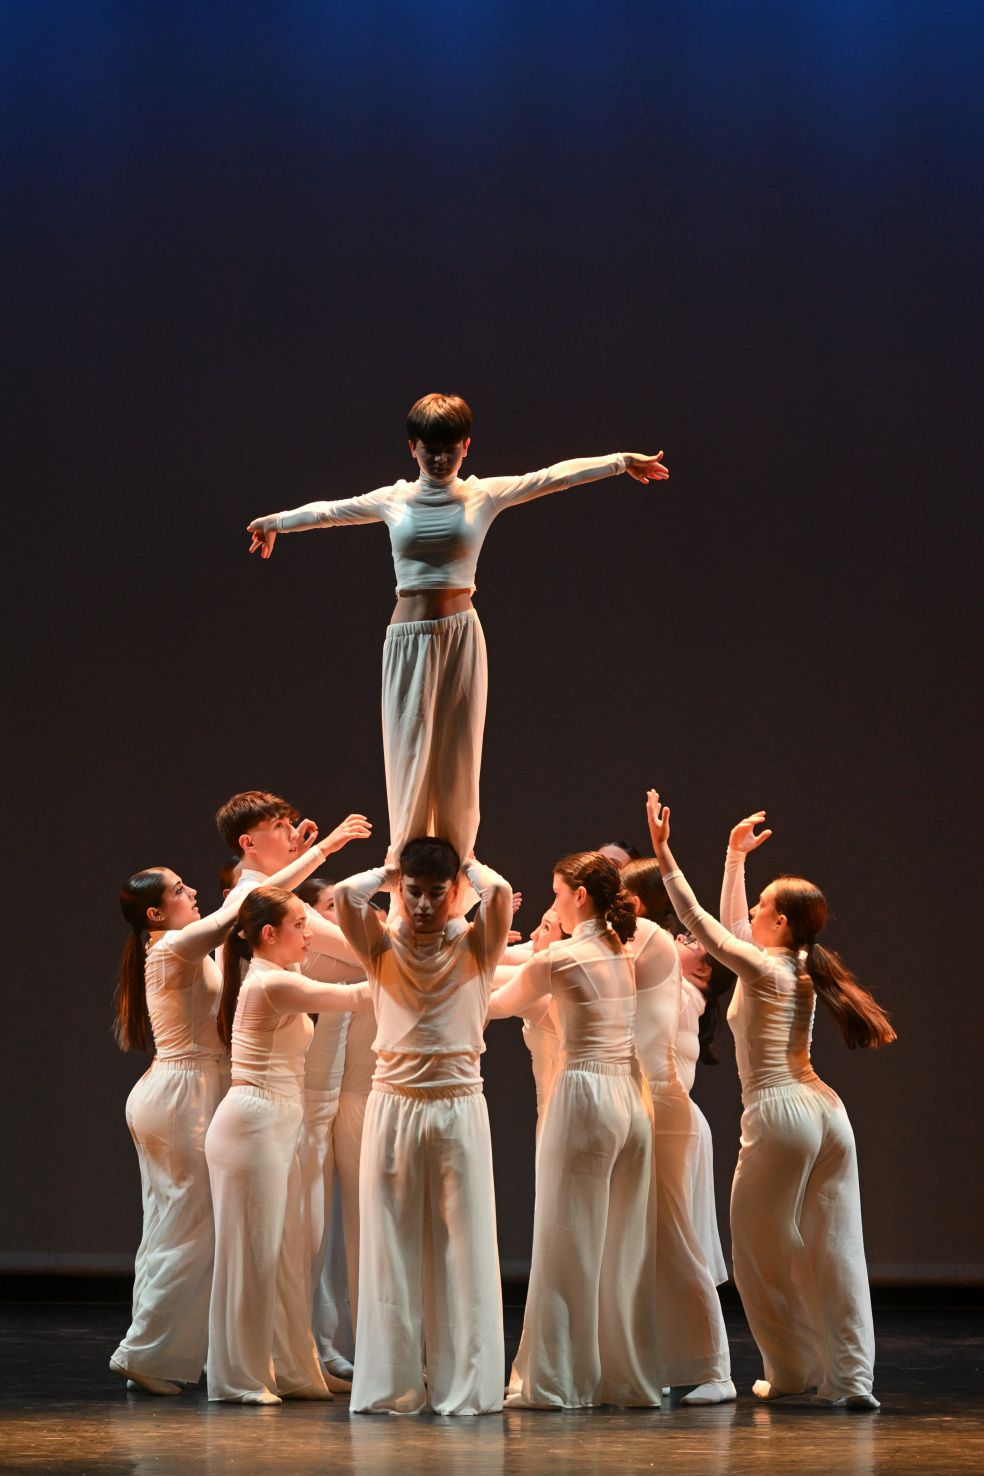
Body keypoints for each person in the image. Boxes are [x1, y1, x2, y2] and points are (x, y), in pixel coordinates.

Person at [245, 394, 669, 873]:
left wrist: (619, 462)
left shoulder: (481, 494)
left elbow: (553, 476)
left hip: (462, 634)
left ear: (467, 446)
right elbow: (329, 512)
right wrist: (274, 522)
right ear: (413, 448)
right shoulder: (394, 499)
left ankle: (459, 860)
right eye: (431, 450)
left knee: (458, 751)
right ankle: (403, 861)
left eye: (452, 449)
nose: (442, 460)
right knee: (409, 747)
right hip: (408, 640)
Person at [646, 793, 896, 1409]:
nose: (752, 912)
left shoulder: (768, 970)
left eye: (761, 906)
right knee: (837, 1249)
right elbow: (731, 930)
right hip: (828, 1115)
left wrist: (663, 852)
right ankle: (854, 1380)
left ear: (780, 923)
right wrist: (735, 857)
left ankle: (789, 1372)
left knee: (759, 1254)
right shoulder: (798, 965)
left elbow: (704, 925)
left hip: (782, 1115)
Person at [109, 820, 364, 1396]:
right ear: (154, 914)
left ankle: (153, 1350)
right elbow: (247, 906)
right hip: (182, 1094)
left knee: (173, 1224)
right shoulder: (172, 946)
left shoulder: (178, 945)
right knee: (189, 1229)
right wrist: (324, 850)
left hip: (181, 1089)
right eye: (178, 890)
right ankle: (145, 1353)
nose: (191, 892)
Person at [332, 838, 513, 1415]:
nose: (426, 903)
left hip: (458, 1102)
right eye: (415, 892)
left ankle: (465, 1387)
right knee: (390, 1243)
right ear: (399, 891)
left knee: (466, 1247)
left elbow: (501, 893)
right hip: (394, 1101)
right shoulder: (380, 945)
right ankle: (393, 1387)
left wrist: (467, 868)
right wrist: (388, 873)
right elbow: (343, 894)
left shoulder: (478, 945)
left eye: (438, 892)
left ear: (455, 891)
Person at [488, 853, 668, 1409]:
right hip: (631, 1102)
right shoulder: (621, 950)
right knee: (623, 1245)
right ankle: (627, 1377)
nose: (555, 903)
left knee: (566, 1238)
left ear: (581, 897)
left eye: (558, 893)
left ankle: (557, 1380)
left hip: (587, 1095)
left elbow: (491, 1005)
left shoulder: (563, 957)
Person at [204, 886, 373, 1404]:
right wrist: (426, 964)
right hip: (251, 1126)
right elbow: (357, 995)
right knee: (250, 1256)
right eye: (301, 925)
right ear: (269, 934)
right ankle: (238, 1379)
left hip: (276, 1125)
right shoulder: (272, 983)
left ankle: (290, 1369)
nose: (310, 934)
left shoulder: (287, 975)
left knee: (280, 1255)